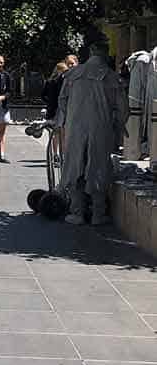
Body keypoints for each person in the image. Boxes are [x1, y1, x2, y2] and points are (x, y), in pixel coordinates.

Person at [56, 39, 128, 225]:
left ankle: (77, 212)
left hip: (76, 127)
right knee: (98, 167)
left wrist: (68, 119)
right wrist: (119, 126)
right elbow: (122, 108)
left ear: (90, 53)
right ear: (104, 54)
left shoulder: (72, 74)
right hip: (101, 127)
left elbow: (62, 101)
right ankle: (98, 213)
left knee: (75, 165)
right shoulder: (111, 77)